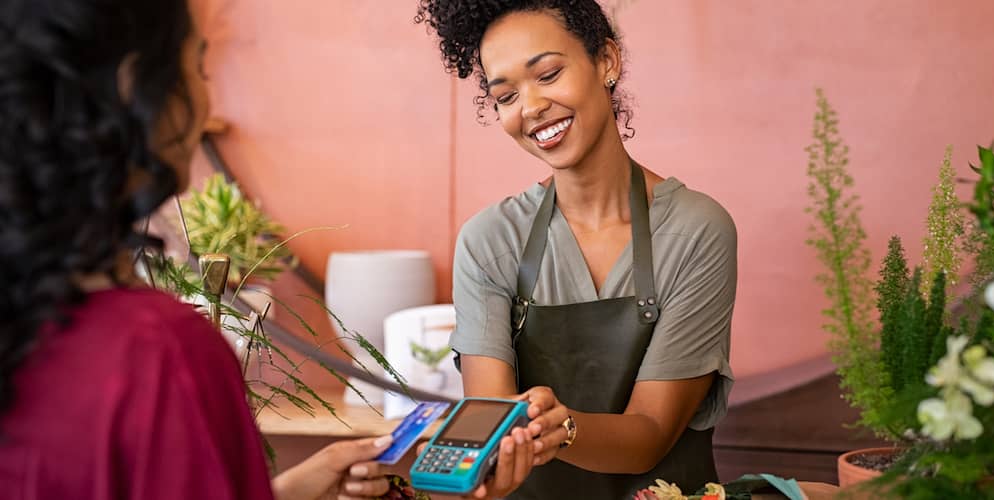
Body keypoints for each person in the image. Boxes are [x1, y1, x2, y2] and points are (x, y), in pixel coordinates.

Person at [0, 1, 399, 498]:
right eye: (198, 69)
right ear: (136, 87)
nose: (205, 102)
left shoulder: (29, 325)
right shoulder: (161, 352)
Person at [415, 1, 738, 498]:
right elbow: (493, 431)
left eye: (547, 73)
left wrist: (563, 428)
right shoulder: (490, 242)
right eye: (506, 96)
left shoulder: (696, 230)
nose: (531, 107)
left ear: (607, 61)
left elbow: (651, 432)